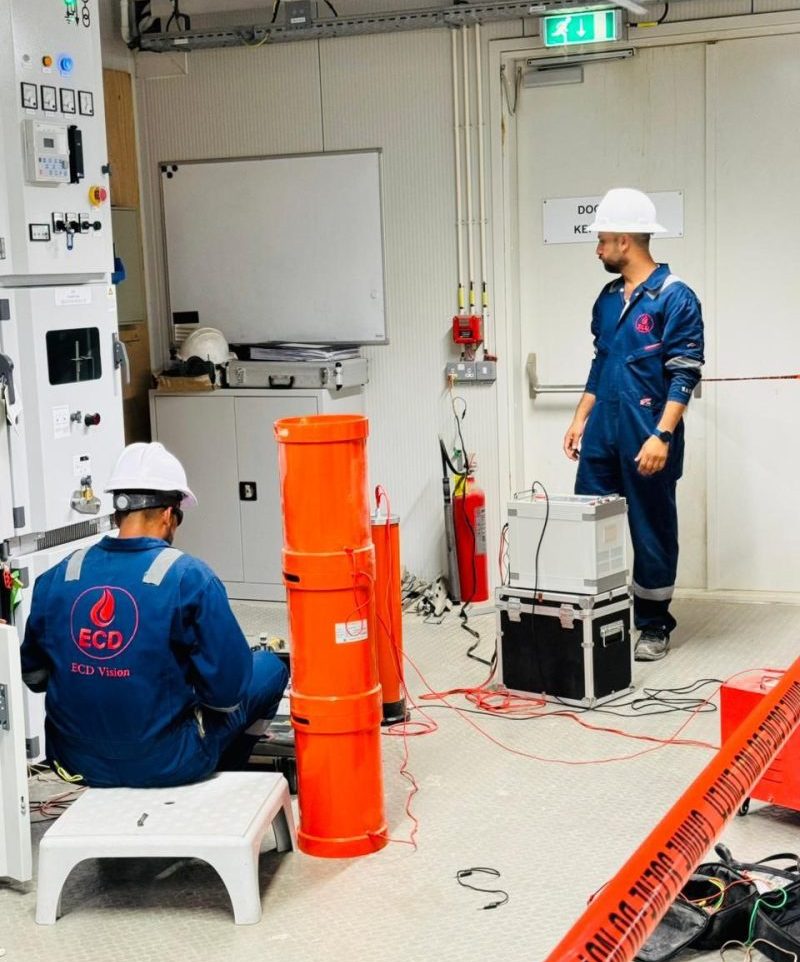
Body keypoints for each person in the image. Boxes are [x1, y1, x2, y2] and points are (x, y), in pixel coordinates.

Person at [20, 442, 289, 787]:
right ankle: (220, 772)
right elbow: (227, 695)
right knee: (269, 668)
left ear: (118, 512)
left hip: (72, 761)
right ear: (167, 514)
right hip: (168, 762)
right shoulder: (190, 577)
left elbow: (34, 677)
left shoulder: (59, 575)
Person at [563, 188, 704, 662]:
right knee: (588, 522)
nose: (597, 249)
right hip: (603, 433)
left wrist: (663, 435)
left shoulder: (675, 297)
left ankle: (654, 624)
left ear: (624, 241)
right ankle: (592, 617)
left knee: (651, 529)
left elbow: (685, 372)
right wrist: (580, 418)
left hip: (647, 433)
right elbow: (601, 362)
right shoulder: (607, 300)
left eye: (602, 240)